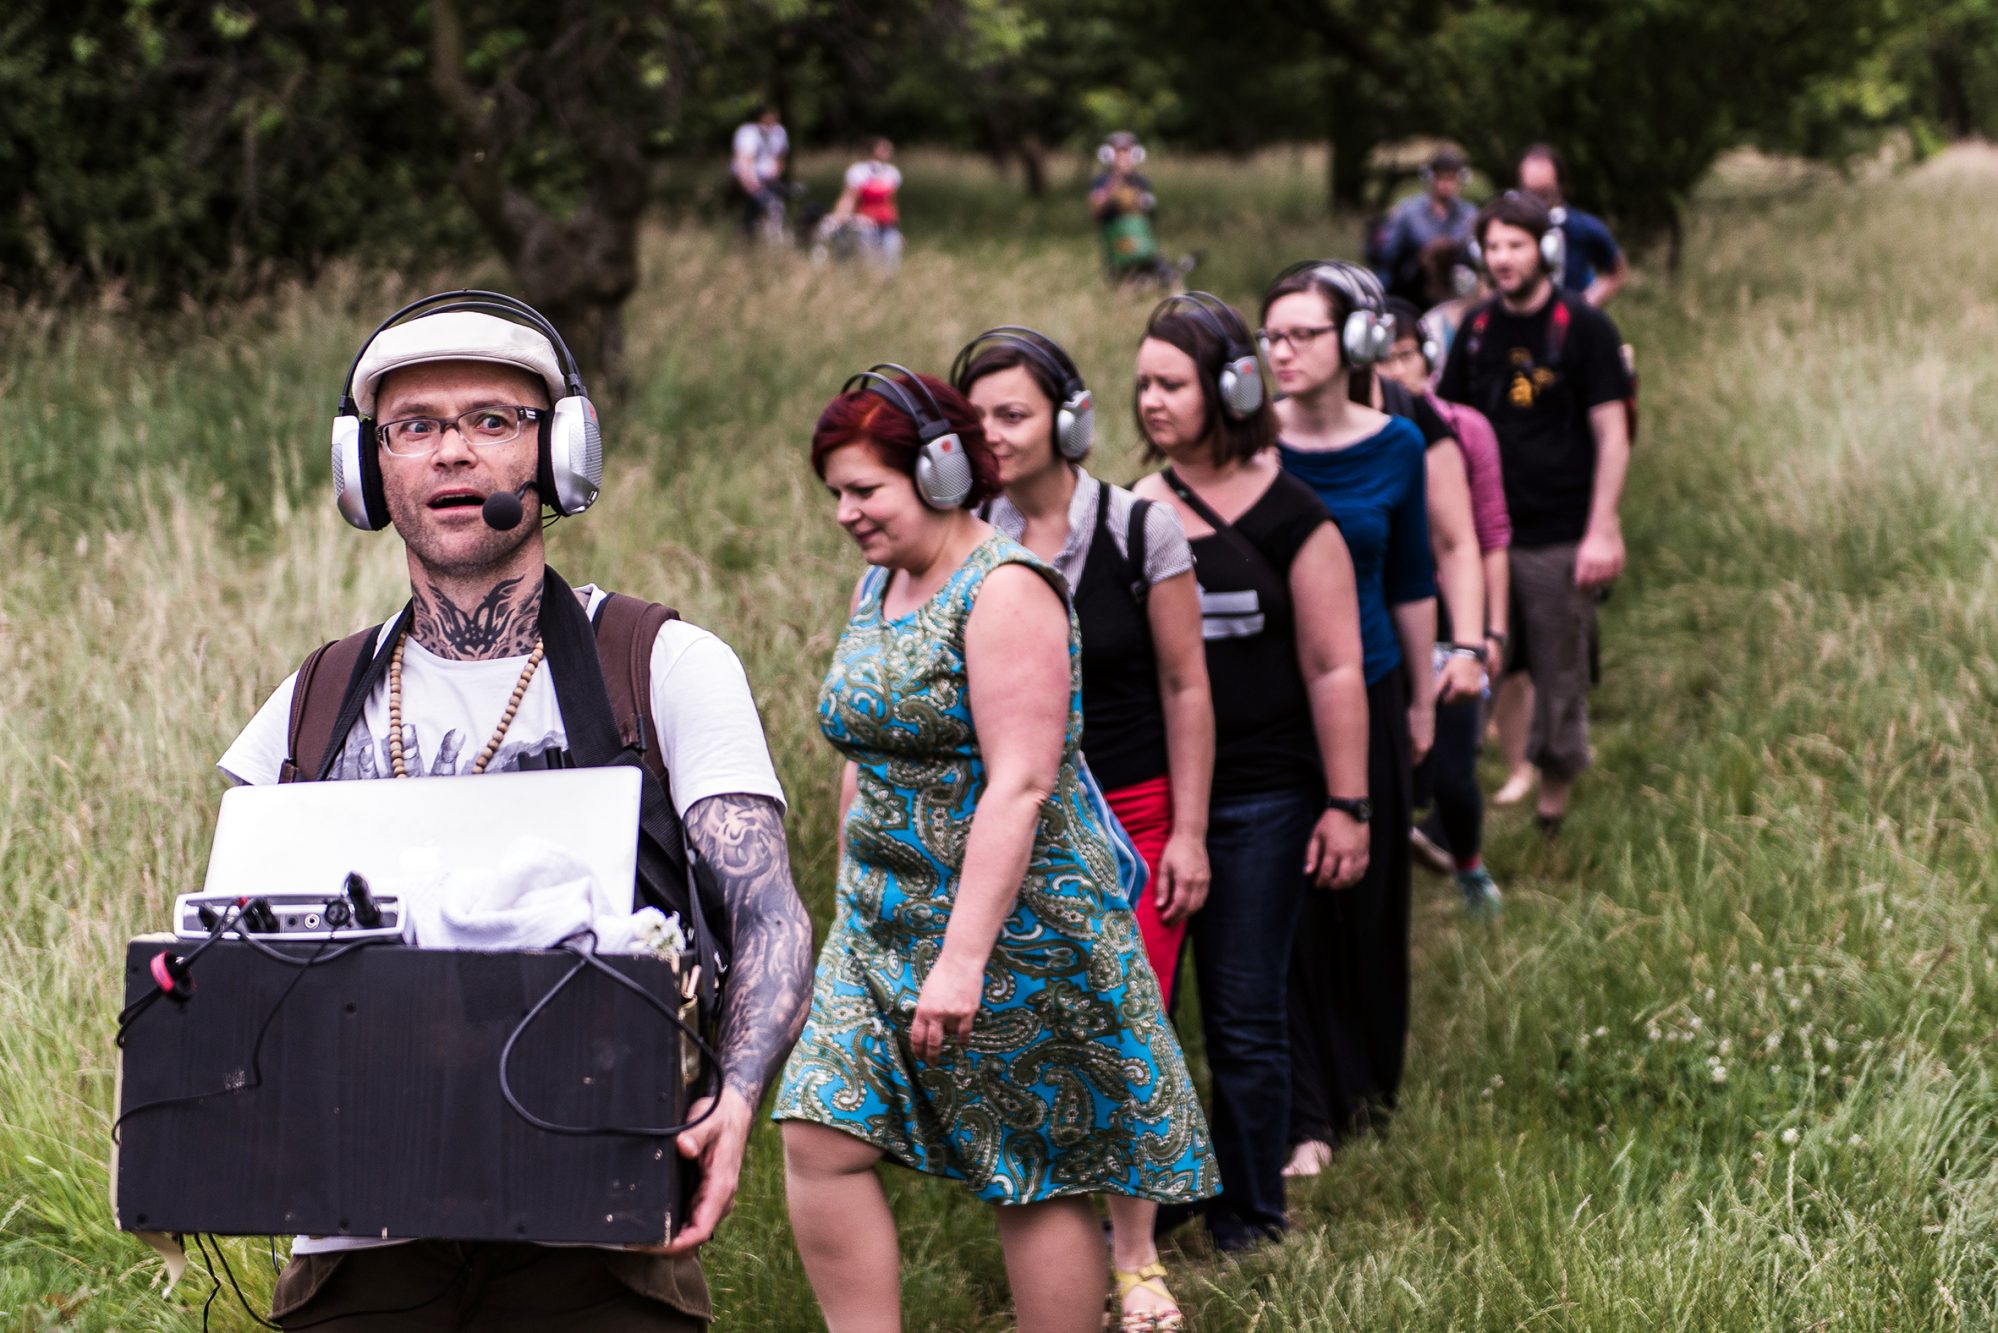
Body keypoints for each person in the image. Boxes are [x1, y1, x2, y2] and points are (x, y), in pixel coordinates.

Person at [219, 298, 814, 1329]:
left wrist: (738, 1095)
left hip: (598, 1233)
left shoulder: (665, 667)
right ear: (368, 471)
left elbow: (769, 914)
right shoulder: (308, 703)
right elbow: (233, 959)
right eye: (415, 425)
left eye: (493, 420)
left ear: (562, 455)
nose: (453, 451)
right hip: (356, 1237)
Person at [775, 367, 1217, 1333]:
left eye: (865, 489)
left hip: (1014, 929)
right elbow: (865, 750)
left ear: (940, 470)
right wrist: (848, 897)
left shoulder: (1007, 590)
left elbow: (1022, 782)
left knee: (1033, 1165)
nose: (846, 513)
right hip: (880, 922)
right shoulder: (879, 582)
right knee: (817, 1130)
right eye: (837, 493)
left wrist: (962, 958)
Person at [953, 327, 1213, 1331]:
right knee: (1040, 1032)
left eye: (1013, 413)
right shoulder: (964, 535)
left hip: (1132, 818)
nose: (993, 433)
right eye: (976, 418)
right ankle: (1057, 1245)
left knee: (1125, 1030)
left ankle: (1136, 1256)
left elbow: (1186, 685)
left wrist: (1188, 831)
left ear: (1068, 419)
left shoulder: (1141, 529)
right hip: (1012, 823)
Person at [1127, 294, 1369, 1251]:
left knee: (1243, 1010)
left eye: (1172, 384)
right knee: (1143, 1010)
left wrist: (1347, 802)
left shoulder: (1295, 515)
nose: (1152, 401)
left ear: (1231, 388)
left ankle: (1251, 1211)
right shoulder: (1135, 511)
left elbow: (1334, 665)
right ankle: (1161, 1191)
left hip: (1265, 797)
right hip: (1153, 800)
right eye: (1143, 383)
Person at [1257, 265, 1439, 1174]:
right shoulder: (1251, 447)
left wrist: (1422, 697)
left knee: (1367, 897)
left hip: (1370, 689)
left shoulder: (1399, 444)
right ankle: (1305, 1111)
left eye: (1303, 334)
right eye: (1271, 336)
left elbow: (1411, 577)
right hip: (1271, 705)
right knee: (1286, 908)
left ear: (1357, 342)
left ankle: (1368, 1090)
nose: (1282, 351)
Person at [1437, 192, 1633, 834]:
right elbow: (1448, 426)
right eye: (1493, 246)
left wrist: (1602, 529)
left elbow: (1612, 434)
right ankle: (1467, 801)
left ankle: (1552, 814)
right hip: (1485, 536)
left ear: (1545, 249)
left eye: (1516, 245)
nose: (1503, 259)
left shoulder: (1585, 326)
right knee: (1480, 664)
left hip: (1560, 534)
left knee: (1560, 672)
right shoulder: (1475, 331)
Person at [1383, 297, 1511, 911]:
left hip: (1452, 622)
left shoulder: (1464, 430)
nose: (1392, 369)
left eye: (1404, 355)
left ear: (1428, 358)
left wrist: (1491, 633)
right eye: (1380, 357)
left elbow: (1487, 537)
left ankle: (1469, 868)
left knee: (1455, 773)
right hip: (1387, 625)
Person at [1517, 144, 1627, 307]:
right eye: (1530, 193)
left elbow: (1617, 270)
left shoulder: (1583, 227)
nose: (1537, 202)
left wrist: (1585, 305)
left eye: (1544, 194)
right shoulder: (1509, 229)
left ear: (1560, 186)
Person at [1376, 148, 1479, 306]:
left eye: (1451, 179)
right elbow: (1388, 253)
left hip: (1456, 285)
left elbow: (1475, 253)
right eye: (1441, 178)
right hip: (1413, 287)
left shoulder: (1469, 214)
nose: (1445, 185)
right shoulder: (1408, 212)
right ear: (1430, 178)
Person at [1089, 132, 1170, 287]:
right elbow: (1097, 209)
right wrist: (1116, 178)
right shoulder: (1102, 181)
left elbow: (1149, 215)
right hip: (1117, 240)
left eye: (1126, 151)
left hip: (1141, 240)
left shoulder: (1141, 182)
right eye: (1119, 152)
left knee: (1162, 275)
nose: (1123, 157)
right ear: (1109, 155)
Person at [824, 136, 905, 271]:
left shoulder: (893, 173)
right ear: (872, 150)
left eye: (889, 149)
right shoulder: (858, 171)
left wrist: (898, 227)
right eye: (883, 148)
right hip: (866, 224)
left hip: (887, 224)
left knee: (891, 260)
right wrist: (839, 216)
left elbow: (892, 202)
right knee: (869, 262)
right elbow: (849, 198)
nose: (887, 151)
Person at [730, 103, 790, 241]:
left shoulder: (779, 132)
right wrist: (754, 186)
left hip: (768, 179)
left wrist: (774, 175)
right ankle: (748, 235)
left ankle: (764, 237)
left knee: (774, 206)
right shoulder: (748, 132)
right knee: (767, 205)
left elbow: (780, 158)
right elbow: (744, 163)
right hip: (747, 178)